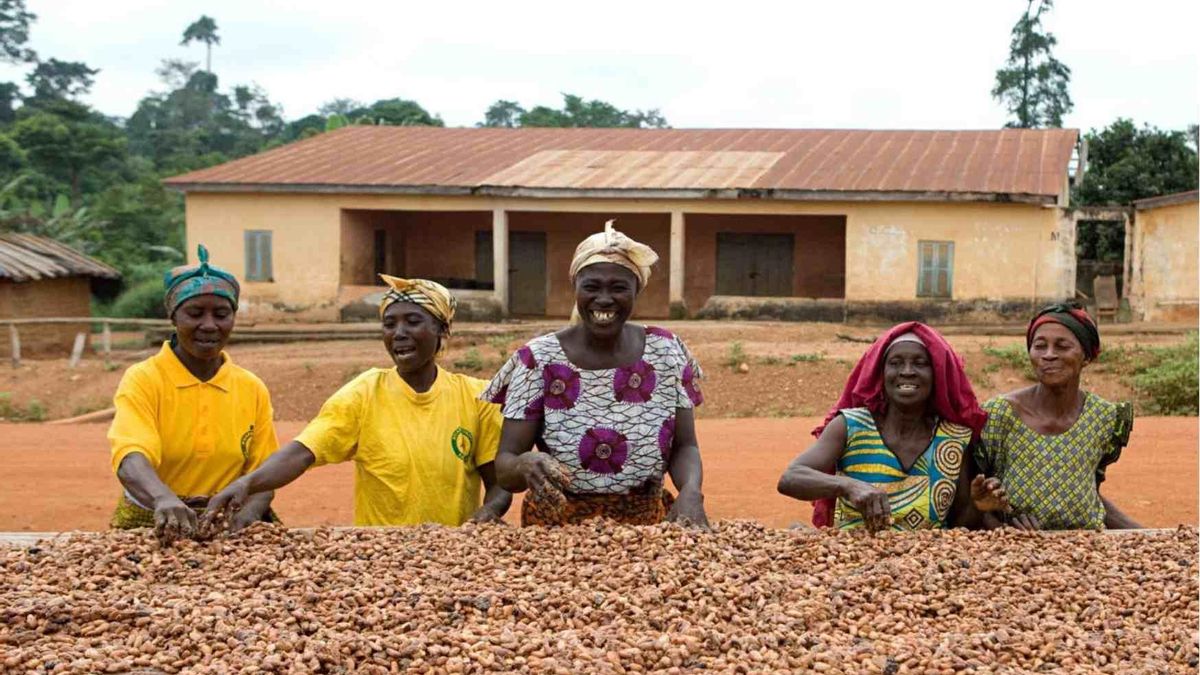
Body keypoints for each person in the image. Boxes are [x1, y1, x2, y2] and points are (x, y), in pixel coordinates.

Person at [204, 276, 510, 529]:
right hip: (380, 553)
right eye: (390, 324)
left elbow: (499, 482)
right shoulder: (364, 393)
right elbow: (302, 453)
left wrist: (489, 512)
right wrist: (248, 483)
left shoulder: (475, 397)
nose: (399, 334)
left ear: (442, 330)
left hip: (450, 551)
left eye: (413, 322)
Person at [483, 220, 710, 528]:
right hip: (556, 528)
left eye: (619, 288)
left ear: (636, 292)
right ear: (575, 287)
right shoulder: (538, 359)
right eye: (591, 287)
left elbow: (685, 445)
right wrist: (524, 464)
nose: (604, 299)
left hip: (648, 524)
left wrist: (691, 490)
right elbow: (506, 465)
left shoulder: (666, 351)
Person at [108, 245, 279, 544]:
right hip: (154, 513)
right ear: (174, 317)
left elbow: (264, 473)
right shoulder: (144, 379)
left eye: (222, 314)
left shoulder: (251, 387)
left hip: (231, 520)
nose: (209, 325)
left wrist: (246, 517)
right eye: (195, 313)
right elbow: (130, 456)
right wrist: (163, 498)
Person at [776, 323, 1008, 531]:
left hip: (924, 569)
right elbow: (790, 478)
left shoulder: (955, 439)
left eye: (920, 363)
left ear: (936, 375)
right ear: (882, 374)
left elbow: (959, 524)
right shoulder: (850, 425)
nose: (907, 371)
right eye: (895, 363)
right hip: (849, 562)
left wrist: (978, 507)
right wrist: (847, 485)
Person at [974, 302, 1141, 530]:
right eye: (1040, 346)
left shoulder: (1104, 417)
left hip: (1086, 548)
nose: (1049, 355)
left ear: (1087, 356)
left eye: (1062, 346)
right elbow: (976, 497)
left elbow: (1087, 493)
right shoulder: (999, 414)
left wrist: (1147, 535)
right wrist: (1000, 522)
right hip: (1016, 547)